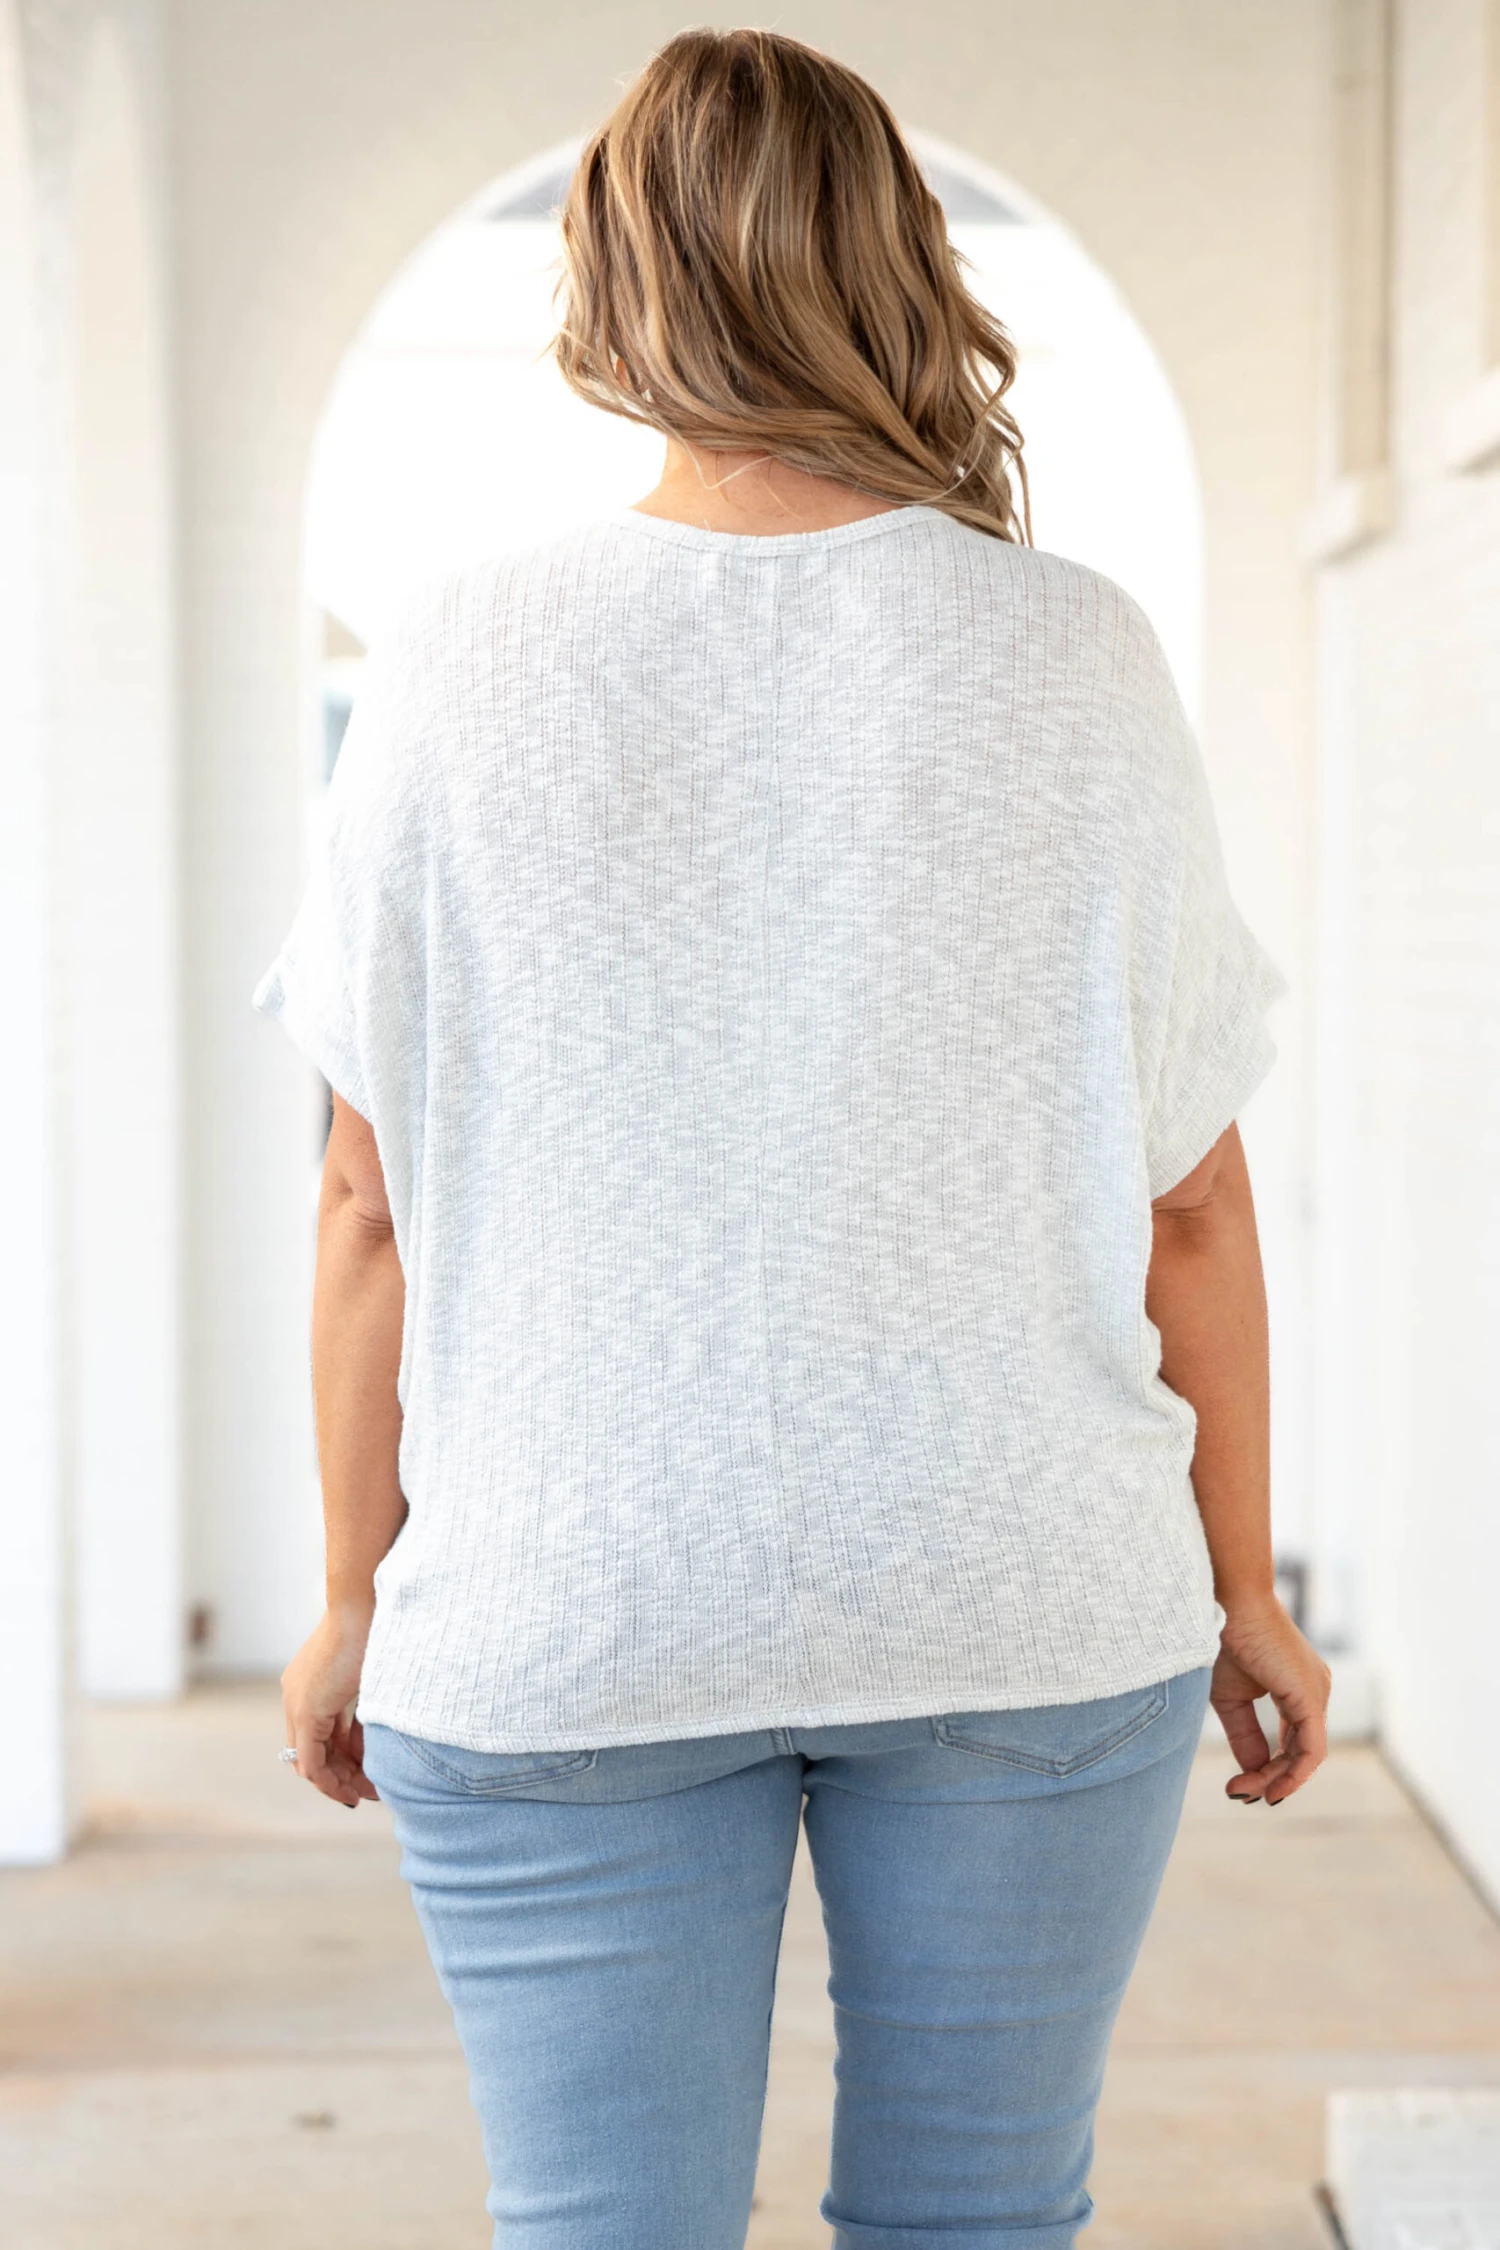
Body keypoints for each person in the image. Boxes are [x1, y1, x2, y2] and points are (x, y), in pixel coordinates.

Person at [257, 27, 1330, 2250]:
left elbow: (367, 1197)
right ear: (897, 259)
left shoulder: (455, 664)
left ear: (614, 279)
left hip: (564, 1606)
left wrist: (357, 1591)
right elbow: (1193, 1200)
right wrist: (1246, 1587)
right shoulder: (1076, 655)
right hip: (1023, 1594)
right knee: (980, 2220)